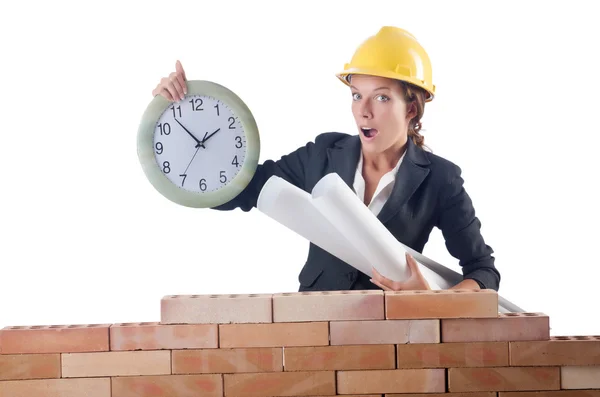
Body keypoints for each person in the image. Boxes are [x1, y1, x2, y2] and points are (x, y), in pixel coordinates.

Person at [151, 26, 501, 293]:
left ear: (411, 108)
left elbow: (483, 270)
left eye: (380, 98)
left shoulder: (440, 180)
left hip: (393, 339)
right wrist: (180, 120)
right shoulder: (322, 154)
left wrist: (437, 300)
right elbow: (241, 187)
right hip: (315, 329)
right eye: (356, 95)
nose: (363, 112)